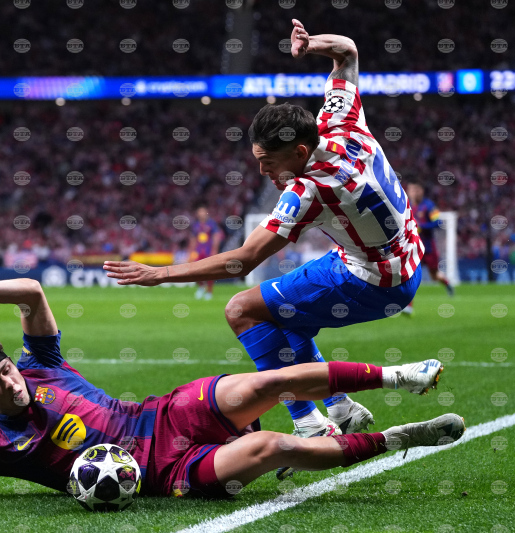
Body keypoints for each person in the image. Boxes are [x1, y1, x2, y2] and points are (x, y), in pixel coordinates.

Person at [104, 20, 425, 479]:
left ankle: (309, 422)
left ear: (299, 152)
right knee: (284, 312)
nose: (263, 173)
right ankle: (338, 409)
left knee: (242, 309)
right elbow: (348, 51)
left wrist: (162, 274)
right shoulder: (342, 123)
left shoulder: (310, 190)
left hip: (373, 280)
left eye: (268, 162)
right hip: (402, 259)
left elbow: (243, 261)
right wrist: (311, 46)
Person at [0, 279, 464, 507]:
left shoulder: (42, 364)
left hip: (165, 415)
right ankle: (393, 439)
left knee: (270, 382)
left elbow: (33, 292)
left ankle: (398, 376)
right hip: (166, 473)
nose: (10, 383)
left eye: (7, 370)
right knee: (274, 447)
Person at [402, 183, 454, 315]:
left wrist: (422, 226)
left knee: (434, 276)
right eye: (411, 190)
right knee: (410, 273)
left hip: (428, 246)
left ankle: (447, 283)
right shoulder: (406, 205)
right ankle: (408, 305)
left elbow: (438, 222)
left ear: (421, 191)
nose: (414, 192)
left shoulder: (429, 206)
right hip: (413, 246)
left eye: (416, 190)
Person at [190, 205, 224, 301]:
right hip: (198, 251)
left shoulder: (211, 224)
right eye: (200, 212)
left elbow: (216, 236)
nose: (202, 214)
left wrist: (214, 250)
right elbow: (193, 239)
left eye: (203, 212)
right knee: (194, 271)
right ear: (197, 214)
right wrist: (191, 251)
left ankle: (209, 292)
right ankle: (201, 287)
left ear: (206, 213)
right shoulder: (195, 225)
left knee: (209, 271)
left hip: (208, 251)